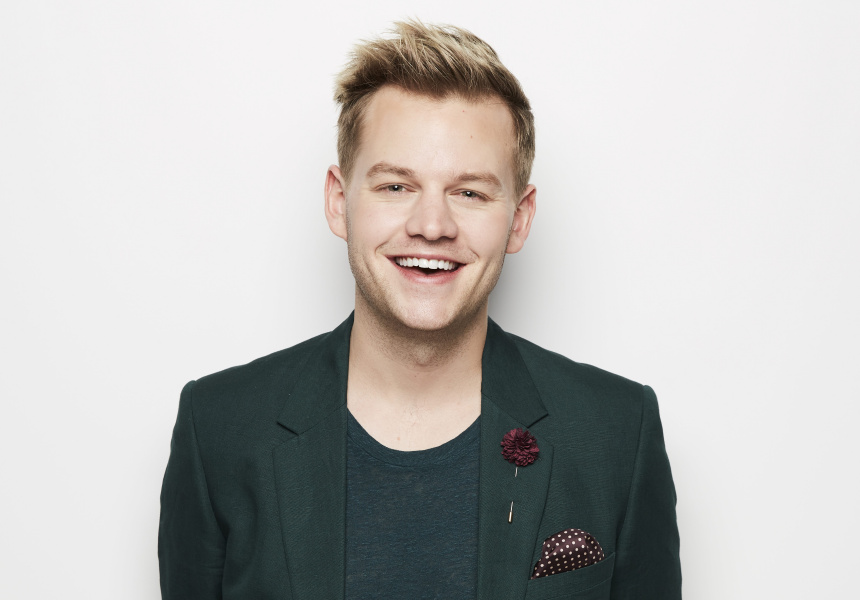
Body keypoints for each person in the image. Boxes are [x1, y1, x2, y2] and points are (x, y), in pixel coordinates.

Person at [158, 20, 681, 600]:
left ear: (520, 218)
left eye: (470, 192)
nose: (432, 226)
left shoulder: (616, 432)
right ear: (339, 201)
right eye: (395, 187)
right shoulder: (219, 428)